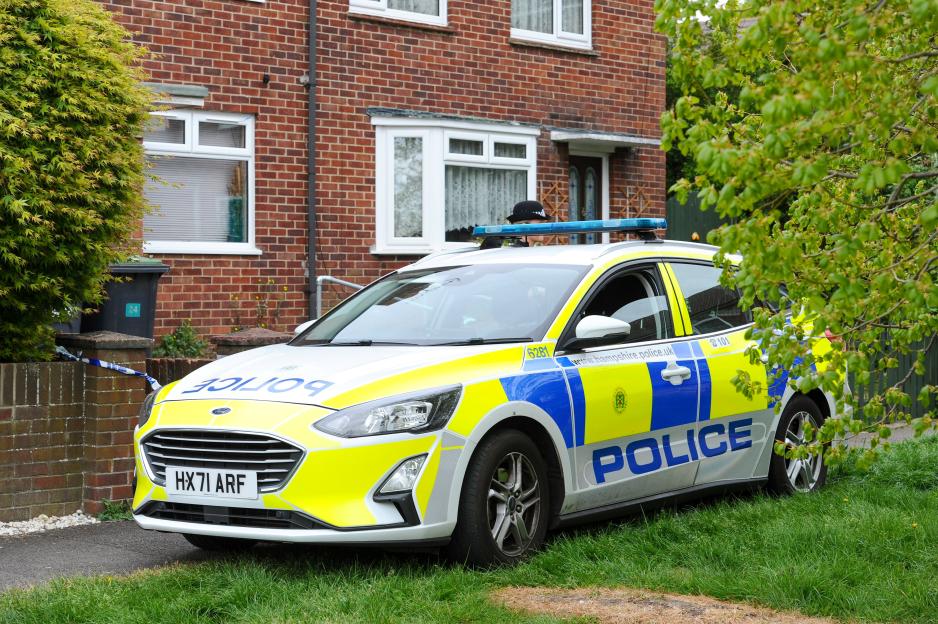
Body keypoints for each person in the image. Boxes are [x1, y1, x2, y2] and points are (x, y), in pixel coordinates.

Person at [479, 200, 552, 249]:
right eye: (540, 223)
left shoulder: (524, 253)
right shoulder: (516, 255)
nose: (544, 226)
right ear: (524, 225)